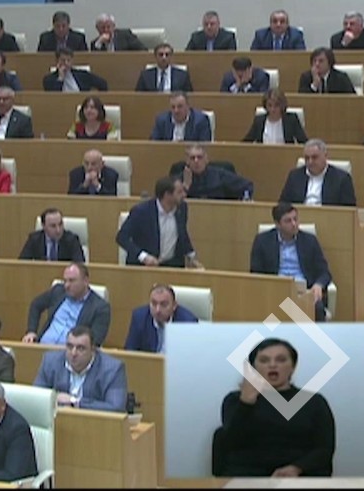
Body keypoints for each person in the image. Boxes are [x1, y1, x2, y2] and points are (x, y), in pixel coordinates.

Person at [214, 338, 335, 476]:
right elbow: (229, 443)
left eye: (281, 360)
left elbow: (324, 449)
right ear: (254, 368)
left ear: (293, 367)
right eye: (264, 360)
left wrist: (296, 468)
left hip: (298, 475)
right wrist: (245, 403)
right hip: (246, 474)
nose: (272, 365)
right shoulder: (235, 399)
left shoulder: (313, 402)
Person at [250, 203, 332, 321]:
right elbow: (256, 273)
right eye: (288, 221)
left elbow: (324, 272)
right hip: (275, 293)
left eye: (295, 219)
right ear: (277, 224)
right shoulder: (262, 241)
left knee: (317, 308)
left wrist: (318, 284)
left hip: (304, 293)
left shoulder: (310, 240)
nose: (294, 224)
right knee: (276, 310)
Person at [33, 325, 128, 412]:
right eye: (70, 346)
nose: (73, 353)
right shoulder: (51, 361)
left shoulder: (112, 369)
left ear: (93, 349)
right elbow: (36, 397)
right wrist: (53, 398)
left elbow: (116, 407)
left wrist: (75, 402)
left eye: (80, 348)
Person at [116, 176, 203, 268]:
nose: (184, 195)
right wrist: (143, 257)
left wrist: (191, 256)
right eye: (179, 192)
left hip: (171, 265)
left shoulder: (182, 208)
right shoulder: (141, 211)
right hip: (144, 266)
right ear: (167, 195)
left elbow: (182, 233)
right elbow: (122, 237)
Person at [22, 263, 110, 346]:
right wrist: (31, 331)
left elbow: (95, 341)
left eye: (72, 281)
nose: (67, 285)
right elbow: (36, 305)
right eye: (65, 281)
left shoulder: (100, 307)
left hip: (70, 353)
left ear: (85, 281)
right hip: (41, 347)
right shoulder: (58, 291)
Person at [278, 139, 357, 207]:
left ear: (325, 156)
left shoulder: (342, 179)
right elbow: (283, 204)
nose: (310, 161)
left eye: (314, 157)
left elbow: (349, 209)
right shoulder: (295, 176)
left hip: (328, 218)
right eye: (307, 158)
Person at [122, 284, 199, 353]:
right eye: (154, 304)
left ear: (174, 305)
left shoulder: (188, 323)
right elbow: (130, 352)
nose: (158, 310)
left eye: (164, 304)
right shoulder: (139, 317)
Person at [174, 144, 255, 200]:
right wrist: (185, 187)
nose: (196, 161)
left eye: (200, 157)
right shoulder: (179, 179)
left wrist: (246, 198)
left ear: (206, 159)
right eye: (192, 158)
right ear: (187, 161)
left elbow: (247, 186)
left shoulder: (220, 175)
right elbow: (171, 201)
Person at [19, 208, 87, 262]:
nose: (58, 230)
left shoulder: (72, 240)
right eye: (53, 226)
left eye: (60, 224)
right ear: (43, 226)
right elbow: (22, 263)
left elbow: (80, 265)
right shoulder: (34, 239)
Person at [243, 88, 308, 144]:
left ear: (282, 105)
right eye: (270, 105)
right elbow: (246, 142)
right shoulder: (259, 121)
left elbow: (304, 142)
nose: (273, 109)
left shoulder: (291, 120)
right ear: (265, 106)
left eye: (276, 105)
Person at [43, 47, 109, 92]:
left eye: (68, 60)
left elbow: (103, 84)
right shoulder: (48, 79)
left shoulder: (83, 75)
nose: (66, 63)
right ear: (57, 61)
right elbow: (53, 97)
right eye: (63, 60)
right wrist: (60, 78)